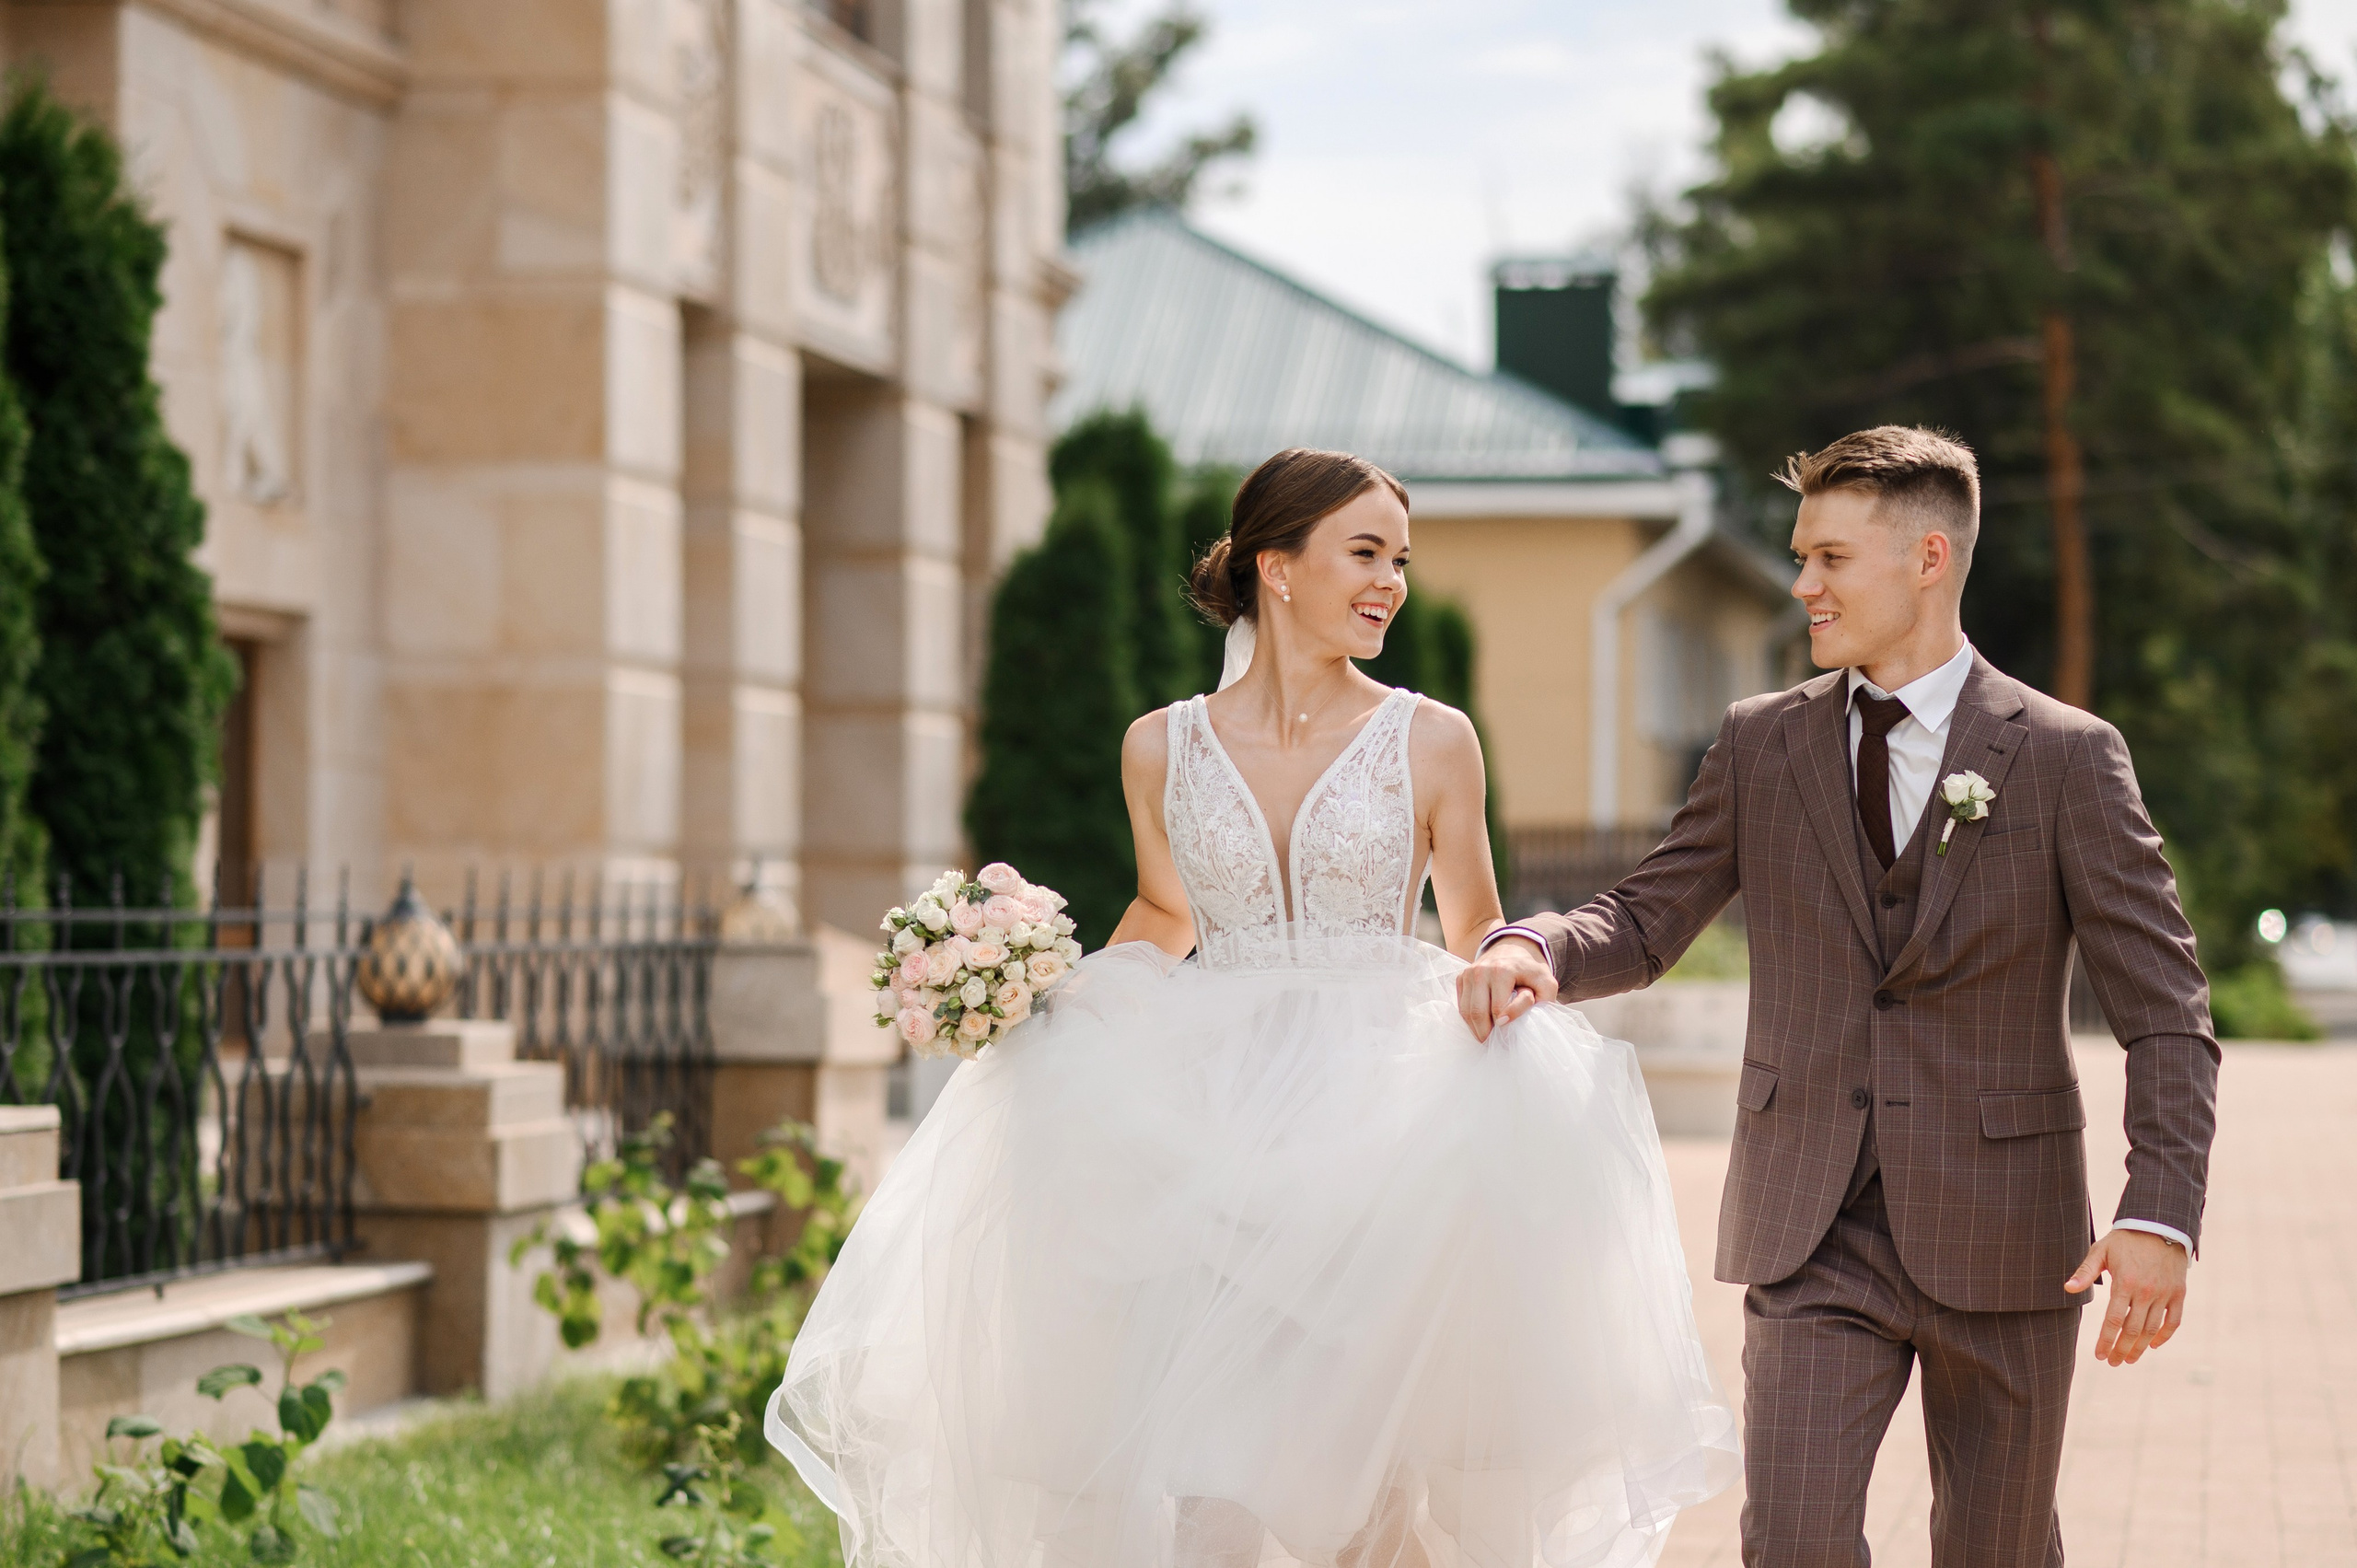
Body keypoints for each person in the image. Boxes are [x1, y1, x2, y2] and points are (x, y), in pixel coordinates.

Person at [768, 447, 1737, 1568]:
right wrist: (1039, 993)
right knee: (1206, 1488)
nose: (1390, 583)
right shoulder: (1157, 744)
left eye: (1400, 559)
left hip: (1388, 1114)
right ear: (1276, 567)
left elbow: (1471, 919)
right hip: (1208, 1113)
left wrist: (1505, 967)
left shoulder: (1433, 738)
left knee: (1363, 1496)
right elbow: (1165, 908)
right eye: (1363, 553)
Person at [1457, 425, 2220, 1567]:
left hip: (2005, 1225)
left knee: (1996, 1546)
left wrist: (2157, 1211)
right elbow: (1650, 910)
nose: (1801, 582)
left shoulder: (2067, 757)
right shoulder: (1761, 742)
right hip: (1812, 1221)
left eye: (1828, 558)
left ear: (1927, 556)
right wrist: (1535, 945)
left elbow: (2165, 1006)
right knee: (1794, 1540)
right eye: (1800, 554)